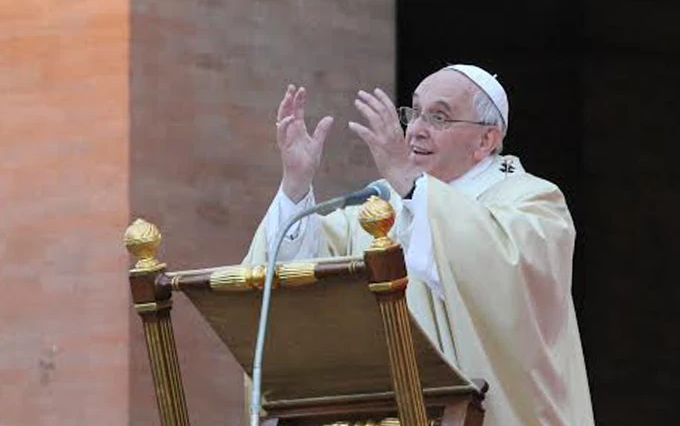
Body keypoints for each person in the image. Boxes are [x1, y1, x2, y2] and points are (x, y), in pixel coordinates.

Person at [244, 64, 595, 425]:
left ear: (485, 140)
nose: (415, 130)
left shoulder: (534, 202)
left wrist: (410, 183)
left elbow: (506, 282)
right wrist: (296, 185)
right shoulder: (382, 204)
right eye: (414, 113)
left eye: (438, 117)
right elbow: (298, 273)